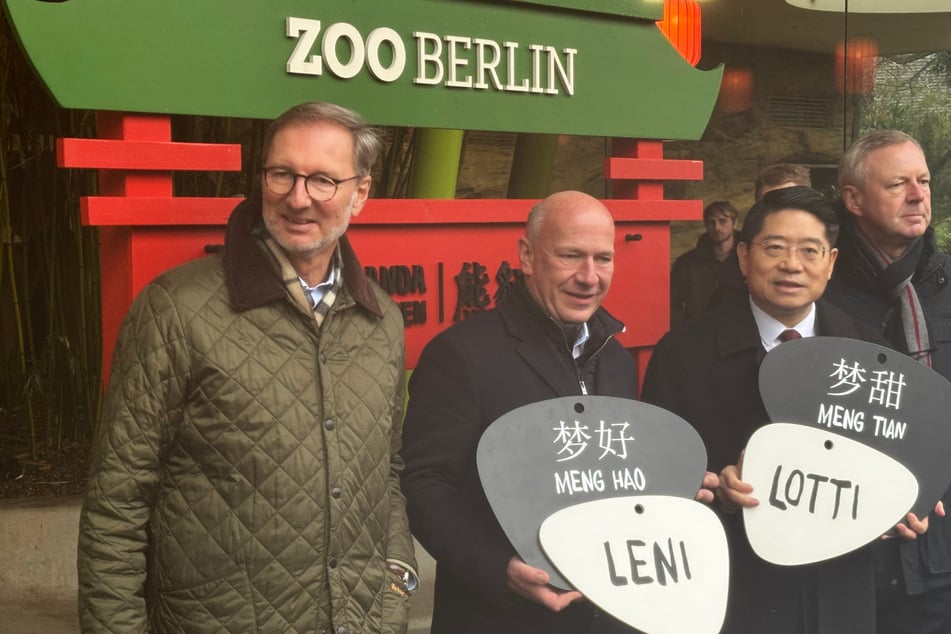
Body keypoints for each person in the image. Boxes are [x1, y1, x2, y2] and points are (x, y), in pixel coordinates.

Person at [77, 102, 417, 633]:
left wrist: (396, 583)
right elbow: (116, 505)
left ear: (361, 193)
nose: (298, 198)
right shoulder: (176, 309)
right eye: (282, 173)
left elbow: (387, 474)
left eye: (324, 180)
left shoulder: (382, 320)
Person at [402, 191, 713, 633]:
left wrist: (670, 489)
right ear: (527, 256)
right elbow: (425, 483)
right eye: (571, 256)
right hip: (500, 617)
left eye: (603, 259)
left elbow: (612, 473)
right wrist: (500, 568)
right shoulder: (462, 355)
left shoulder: (616, 359)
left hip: (604, 612)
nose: (589, 277)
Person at [642, 186, 929, 633]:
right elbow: (652, 480)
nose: (792, 264)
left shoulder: (867, 349)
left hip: (841, 588)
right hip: (733, 588)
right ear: (742, 257)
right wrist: (715, 487)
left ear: (830, 263)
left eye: (809, 251)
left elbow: (896, 454)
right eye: (774, 248)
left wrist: (909, 502)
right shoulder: (683, 353)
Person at [825, 129, 951, 634]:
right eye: (899, 183)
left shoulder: (947, 285)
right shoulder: (820, 297)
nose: (918, 194)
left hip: (943, 550)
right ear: (853, 200)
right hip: (853, 554)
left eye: (922, 181)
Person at [670, 200, 746, 326]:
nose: (716, 227)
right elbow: (673, 303)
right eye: (711, 222)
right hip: (698, 331)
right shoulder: (687, 263)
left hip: (739, 328)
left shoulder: (749, 259)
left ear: (735, 223)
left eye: (722, 221)